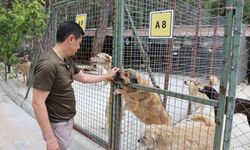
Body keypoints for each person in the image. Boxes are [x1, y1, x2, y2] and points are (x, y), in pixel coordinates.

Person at [32, 21, 119, 150]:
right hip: (57, 124)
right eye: (79, 43)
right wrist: (50, 138)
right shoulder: (48, 65)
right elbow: (37, 103)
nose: (79, 47)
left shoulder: (65, 59)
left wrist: (106, 76)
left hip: (65, 122)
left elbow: (82, 77)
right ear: (71, 39)